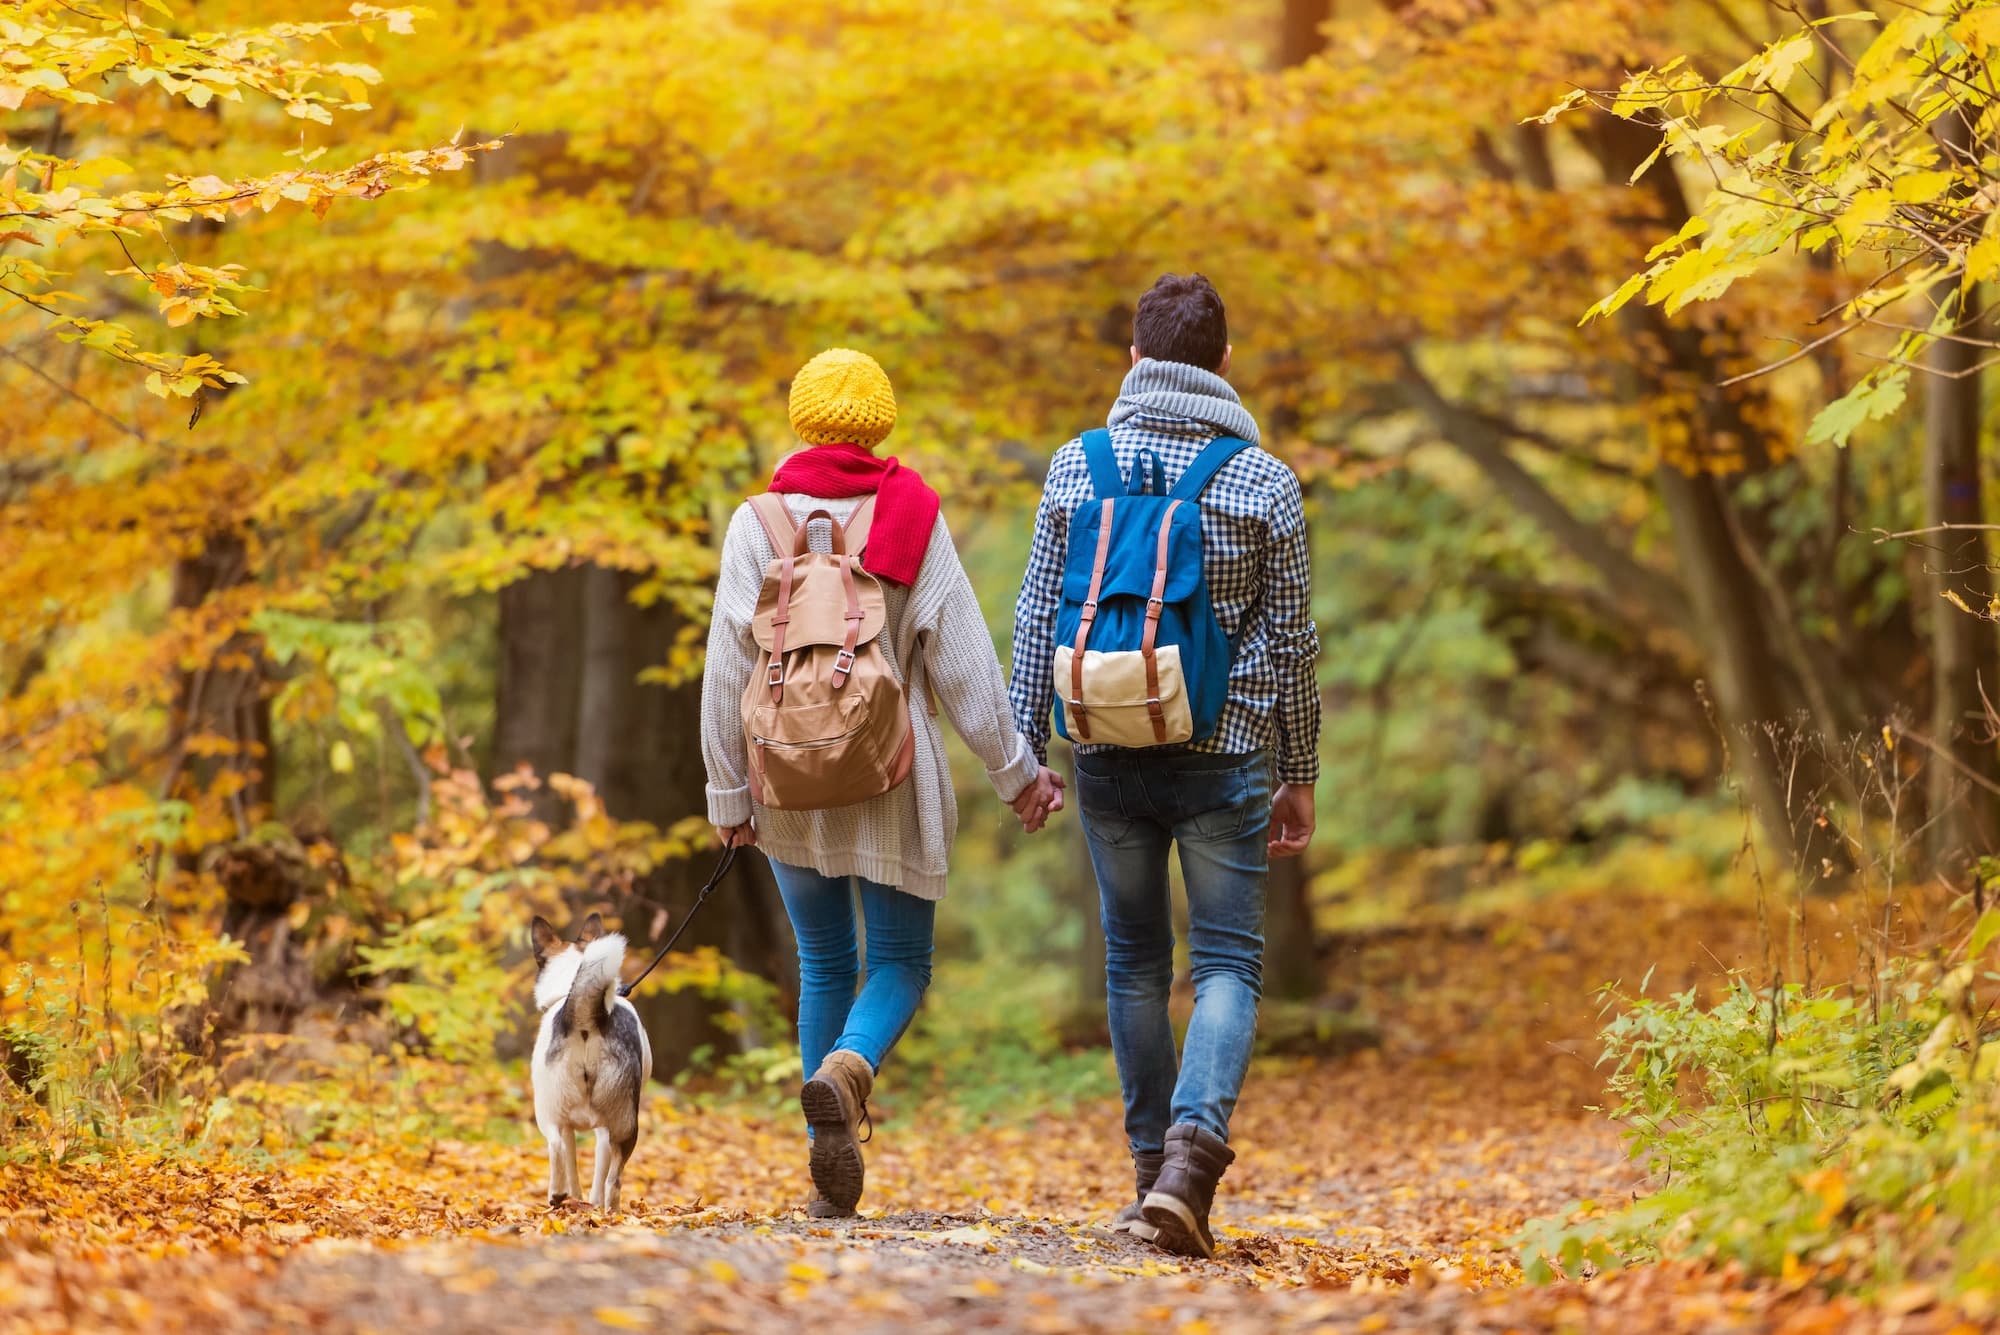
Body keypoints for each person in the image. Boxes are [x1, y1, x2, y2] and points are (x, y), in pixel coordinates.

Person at [701, 347, 1065, 1219]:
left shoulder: (756, 524)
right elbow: (970, 666)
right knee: (901, 960)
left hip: (785, 778)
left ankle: (824, 1142)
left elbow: (725, 667)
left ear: (802, 420)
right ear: (881, 423)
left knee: (824, 957)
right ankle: (848, 1071)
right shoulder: (912, 515)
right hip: (892, 775)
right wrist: (1017, 774)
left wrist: (726, 792)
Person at [1009, 274, 1321, 1258]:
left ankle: (1150, 1175)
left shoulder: (1073, 468)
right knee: (1225, 960)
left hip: (1102, 748)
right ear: (1223, 366)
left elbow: (1031, 618)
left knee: (1133, 961)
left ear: (1133, 361)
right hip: (1222, 754)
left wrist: (1028, 747)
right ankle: (1192, 1161)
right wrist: (1298, 769)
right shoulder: (1262, 482)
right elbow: (1292, 643)